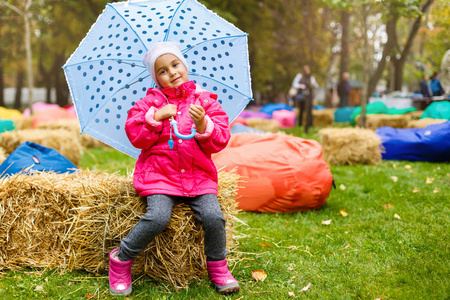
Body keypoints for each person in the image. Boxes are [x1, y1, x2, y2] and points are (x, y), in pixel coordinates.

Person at [108, 42, 239, 296]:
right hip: (160, 175)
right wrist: (155, 118)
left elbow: (220, 139)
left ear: (184, 65)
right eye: (163, 71)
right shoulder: (149, 103)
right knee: (158, 217)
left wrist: (203, 124)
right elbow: (136, 136)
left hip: (197, 176)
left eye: (175, 65)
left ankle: (218, 266)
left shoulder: (206, 101)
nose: (172, 73)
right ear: (156, 77)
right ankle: (121, 259)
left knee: (214, 218)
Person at [291, 65, 318, 132]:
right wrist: (301, 86)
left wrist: (313, 84)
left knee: (309, 110)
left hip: (309, 96)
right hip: (301, 96)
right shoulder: (299, 76)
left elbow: (316, 85)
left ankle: (309, 124)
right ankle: (300, 123)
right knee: (301, 110)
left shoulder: (311, 78)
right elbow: (294, 84)